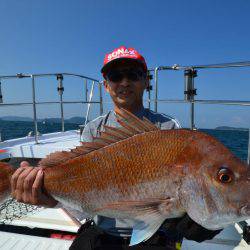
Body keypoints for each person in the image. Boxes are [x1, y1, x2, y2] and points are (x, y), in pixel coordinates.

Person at [10, 46, 222, 250]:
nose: (125, 82)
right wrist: (50, 199)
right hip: (102, 231)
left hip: (156, 234)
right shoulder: (94, 129)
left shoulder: (168, 128)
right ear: (105, 84)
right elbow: (82, 197)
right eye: (115, 76)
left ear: (145, 81)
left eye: (133, 74)